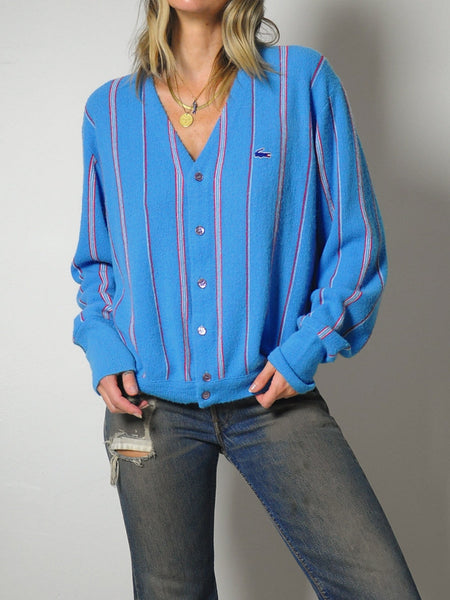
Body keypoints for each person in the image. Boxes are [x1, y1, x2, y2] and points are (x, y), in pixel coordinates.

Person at [71, 1, 422, 598]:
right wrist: (104, 347)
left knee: (379, 588)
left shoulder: (301, 83)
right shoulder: (108, 111)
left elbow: (357, 243)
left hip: (272, 397)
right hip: (146, 406)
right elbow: (97, 259)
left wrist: (304, 349)